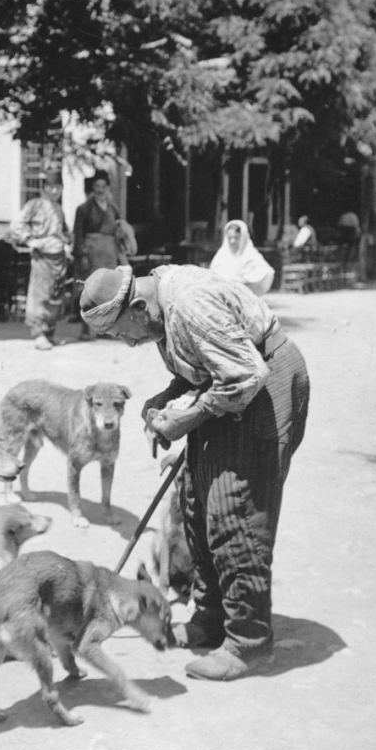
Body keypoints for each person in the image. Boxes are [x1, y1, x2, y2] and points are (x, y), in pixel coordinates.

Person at [79, 263, 310, 682]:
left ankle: (249, 641)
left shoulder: (189, 304)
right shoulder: (158, 309)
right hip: (232, 384)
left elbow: (245, 374)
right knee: (197, 502)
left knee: (236, 512)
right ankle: (211, 617)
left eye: (123, 333)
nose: (130, 343)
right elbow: (202, 370)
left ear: (136, 306)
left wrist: (185, 421)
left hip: (263, 383)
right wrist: (165, 400)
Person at [8, 168, 71, 351]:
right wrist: (30, 240)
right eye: (50, 187)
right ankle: (39, 334)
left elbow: (65, 231)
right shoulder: (34, 205)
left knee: (56, 294)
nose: (54, 191)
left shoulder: (59, 209)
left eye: (58, 187)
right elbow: (16, 224)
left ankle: (50, 331)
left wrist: (66, 240)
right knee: (41, 294)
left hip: (58, 257)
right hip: (42, 257)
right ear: (44, 188)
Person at [73, 170, 122, 340]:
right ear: (93, 188)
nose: (100, 190)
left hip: (109, 254)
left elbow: (119, 230)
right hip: (91, 254)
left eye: (103, 186)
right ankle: (86, 330)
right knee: (90, 291)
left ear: (108, 188)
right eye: (97, 186)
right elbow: (78, 235)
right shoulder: (84, 209)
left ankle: (105, 330)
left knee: (109, 291)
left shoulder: (113, 208)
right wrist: (82, 256)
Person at [209, 219, 275, 297]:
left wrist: (245, 279)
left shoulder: (250, 254)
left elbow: (266, 272)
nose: (232, 241)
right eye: (230, 238)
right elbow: (213, 274)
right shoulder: (222, 254)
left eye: (236, 238)